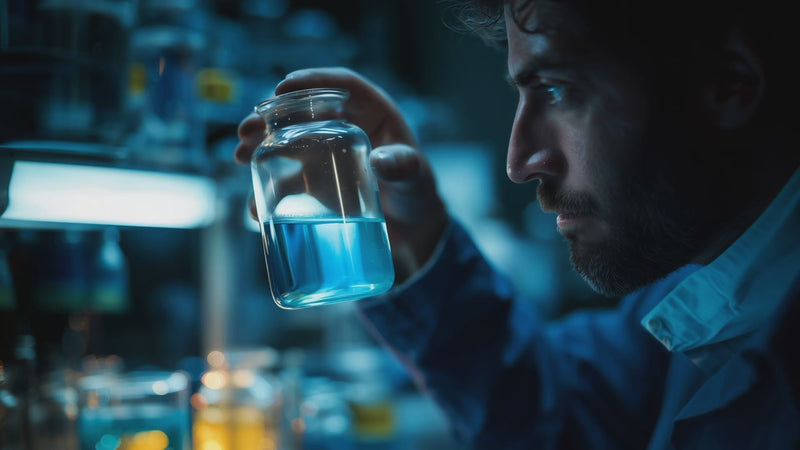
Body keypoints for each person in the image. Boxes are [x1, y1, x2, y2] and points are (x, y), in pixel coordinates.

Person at [236, 0, 800, 448]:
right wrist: (419, 244)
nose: (519, 161)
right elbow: (555, 414)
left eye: (558, 89)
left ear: (729, 85)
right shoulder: (703, 296)